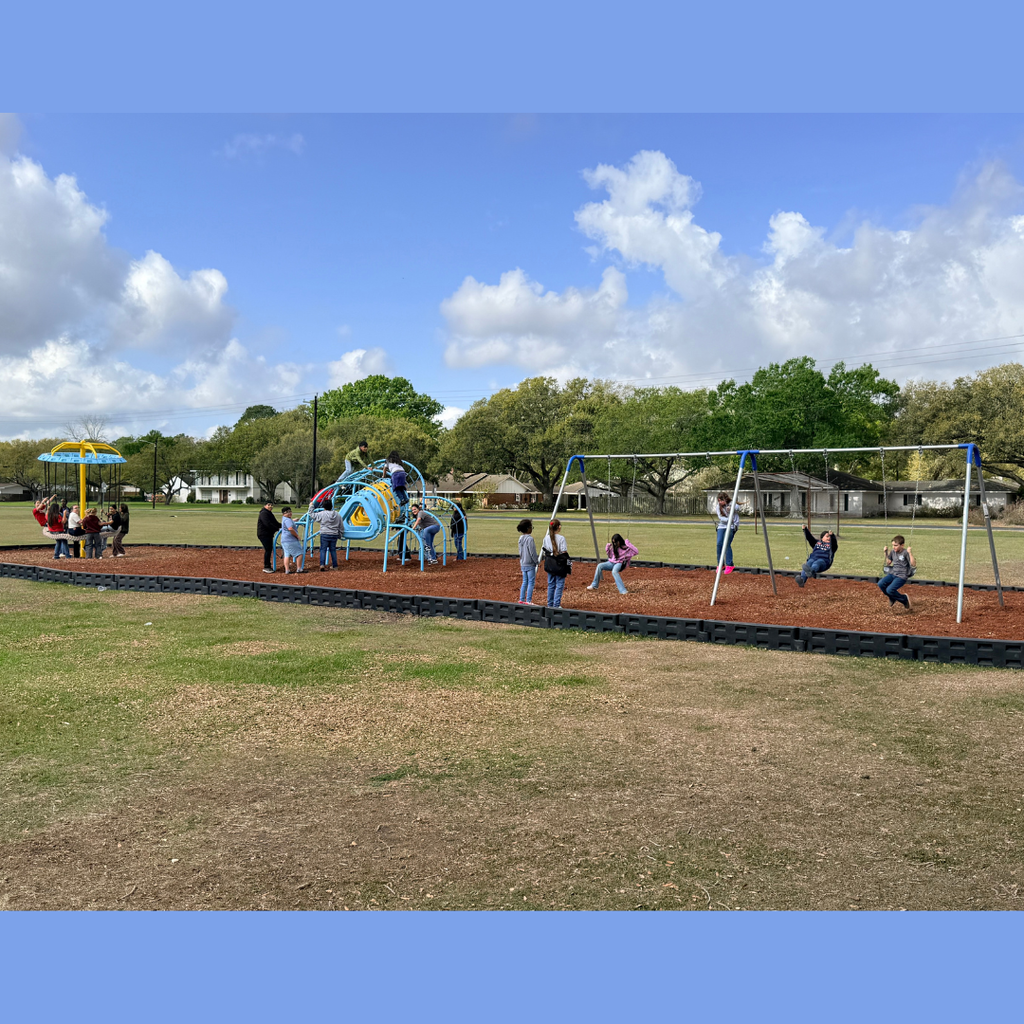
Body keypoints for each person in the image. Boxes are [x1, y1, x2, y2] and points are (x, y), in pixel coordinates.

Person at [879, 534, 916, 611]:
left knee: (889, 590)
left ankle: (904, 599)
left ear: (902, 545)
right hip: (893, 573)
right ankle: (892, 597)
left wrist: (910, 553)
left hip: (902, 576)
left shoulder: (905, 552)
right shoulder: (893, 552)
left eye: (896, 545)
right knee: (880, 584)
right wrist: (885, 553)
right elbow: (888, 562)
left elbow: (913, 564)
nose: (893, 547)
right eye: (893, 545)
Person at [308, 496, 342, 571]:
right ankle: (335, 565)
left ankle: (322, 564)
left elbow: (311, 514)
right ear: (331, 506)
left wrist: (311, 506)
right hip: (334, 534)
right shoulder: (337, 514)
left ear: (324, 507)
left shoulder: (322, 514)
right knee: (333, 550)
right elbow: (341, 525)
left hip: (325, 534)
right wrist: (340, 534)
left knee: (323, 549)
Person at [541, 518, 570, 608]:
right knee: (559, 584)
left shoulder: (546, 538)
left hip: (550, 563)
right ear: (558, 527)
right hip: (559, 563)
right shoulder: (561, 538)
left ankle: (550, 604)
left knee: (551, 584)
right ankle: (556, 604)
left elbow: (545, 549)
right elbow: (563, 551)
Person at [714, 491, 739, 574]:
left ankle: (730, 564)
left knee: (726, 543)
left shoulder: (732, 503)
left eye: (721, 501)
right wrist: (728, 520)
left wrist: (731, 508)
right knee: (719, 544)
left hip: (731, 526)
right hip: (722, 526)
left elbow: (738, 508)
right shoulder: (718, 506)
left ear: (725, 499)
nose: (720, 503)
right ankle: (720, 564)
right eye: (719, 501)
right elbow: (720, 517)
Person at [517, 518, 539, 604]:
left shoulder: (520, 538)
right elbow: (532, 552)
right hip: (530, 563)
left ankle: (521, 599)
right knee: (531, 582)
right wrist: (536, 561)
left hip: (523, 562)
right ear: (528, 528)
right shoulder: (530, 539)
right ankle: (528, 600)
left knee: (524, 581)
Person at [256, 500, 281, 573]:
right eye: (269, 505)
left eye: (271, 505)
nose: (270, 506)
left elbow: (275, 523)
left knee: (269, 549)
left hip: (268, 534)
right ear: (265, 505)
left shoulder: (269, 513)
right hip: (264, 534)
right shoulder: (264, 513)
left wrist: (285, 525)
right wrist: (277, 529)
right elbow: (267, 524)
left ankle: (268, 566)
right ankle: (266, 566)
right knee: (268, 549)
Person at [279, 506, 304, 574]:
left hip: (284, 540)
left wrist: (293, 520)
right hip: (290, 540)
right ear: (283, 514)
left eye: (290, 511)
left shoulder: (284, 519)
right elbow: (290, 528)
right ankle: (299, 569)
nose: (289, 513)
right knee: (299, 553)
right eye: (287, 512)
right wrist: (297, 536)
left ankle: (287, 570)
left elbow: (287, 523)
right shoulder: (287, 520)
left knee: (287, 554)